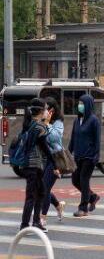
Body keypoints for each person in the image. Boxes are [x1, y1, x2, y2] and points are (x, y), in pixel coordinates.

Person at [19, 98, 52, 232]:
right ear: (40, 111)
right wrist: (55, 163)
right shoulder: (39, 127)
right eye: (45, 109)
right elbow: (45, 146)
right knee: (34, 194)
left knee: (39, 192)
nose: (47, 111)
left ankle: (33, 222)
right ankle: (26, 224)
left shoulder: (28, 124)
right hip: (34, 165)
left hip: (28, 165)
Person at [69, 94, 101, 217]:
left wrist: (96, 155)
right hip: (78, 156)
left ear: (88, 105)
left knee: (84, 180)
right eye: (79, 103)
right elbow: (73, 138)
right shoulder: (77, 120)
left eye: (82, 104)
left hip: (89, 157)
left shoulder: (94, 120)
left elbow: (97, 139)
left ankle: (83, 208)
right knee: (75, 180)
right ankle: (92, 197)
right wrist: (67, 153)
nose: (79, 106)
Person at [41, 97, 66, 227]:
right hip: (42, 159)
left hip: (55, 159)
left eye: (46, 109)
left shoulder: (58, 122)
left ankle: (42, 218)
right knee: (42, 188)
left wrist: (47, 124)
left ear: (52, 110)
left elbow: (55, 137)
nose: (44, 111)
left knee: (44, 188)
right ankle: (58, 205)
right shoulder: (41, 120)